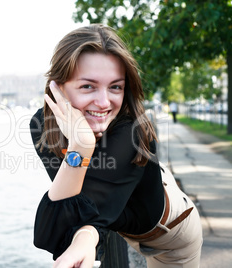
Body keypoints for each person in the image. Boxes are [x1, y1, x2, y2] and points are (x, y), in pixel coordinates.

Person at [29, 24, 202, 268]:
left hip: (171, 233)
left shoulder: (133, 132)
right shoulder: (44, 126)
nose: (103, 103)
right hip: (133, 207)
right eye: (88, 86)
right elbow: (64, 218)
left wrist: (81, 146)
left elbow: (81, 209)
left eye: (115, 87)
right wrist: (81, 145)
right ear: (59, 88)